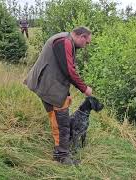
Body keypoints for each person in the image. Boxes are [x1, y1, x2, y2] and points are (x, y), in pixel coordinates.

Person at [24, 26, 93, 165]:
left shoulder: (65, 40)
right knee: (63, 123)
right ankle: (62, 156)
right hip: (49, 88)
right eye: (87, 42)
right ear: (82, 37)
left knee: (57, 120)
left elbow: (62, 70)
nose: (86, 46)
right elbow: (69, 70)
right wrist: (84, 88)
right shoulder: (64, 41)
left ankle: (60, 150)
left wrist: (66, 94)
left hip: (48, 86)